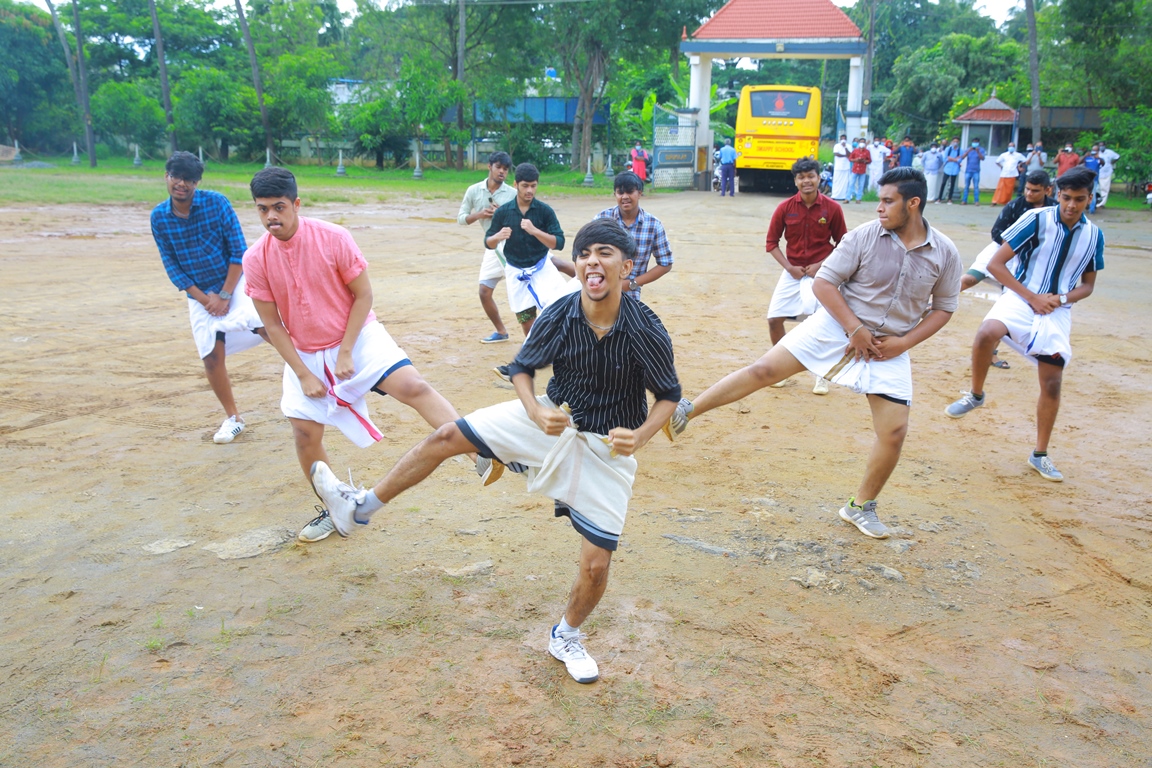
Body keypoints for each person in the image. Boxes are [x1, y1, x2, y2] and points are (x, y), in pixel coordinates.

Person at [307, 218, 681, 684]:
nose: (591, 261)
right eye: (584, 253)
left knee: (597, 563)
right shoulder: (561, 314)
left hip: (608, 447)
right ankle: (359, 508)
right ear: (577, 265)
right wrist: (535, 410)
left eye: (604, 253)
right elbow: (522, 368)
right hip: (550, 418)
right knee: (446, 437)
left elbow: (669, 394)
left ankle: (565, 634)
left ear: (626, 268)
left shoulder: (645, 328)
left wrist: (641, 435)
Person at [666, 167, 961, 539]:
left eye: (888, 201)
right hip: (837, 326)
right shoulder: (864, 238)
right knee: (764, 371)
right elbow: (824, 283)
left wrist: (904, 343)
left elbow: (944, 308)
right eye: (880, 200)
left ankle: (860, 506)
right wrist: (854, 328)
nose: (879, 209)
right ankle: (688, 409)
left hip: (888, 346)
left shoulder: (944, 252)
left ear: (913, 203)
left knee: (894, 430)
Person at [240, 167, 483, 543]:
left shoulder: (333, 237)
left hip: (357, 332)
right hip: (303, 349)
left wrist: (347, 351)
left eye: (279, 207)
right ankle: (334, 508)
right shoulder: (256, 258)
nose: (271, 217)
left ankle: (478, 453)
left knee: (413, 386)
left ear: (296, 204)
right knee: (304, 433)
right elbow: (272, 326)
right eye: (262, 209)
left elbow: (363, 295)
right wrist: (304, 373)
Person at [945, 168, 1104, 483]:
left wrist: (1057, 299)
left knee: (1052, 382)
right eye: (1067, 198)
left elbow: (1087, 286)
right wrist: (1032, 297)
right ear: (1057, 194)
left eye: (1080, 199)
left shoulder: (1094, 235)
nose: (1072, 205)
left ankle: (1039, 454)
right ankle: (976, 394)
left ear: (1089, 198)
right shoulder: (1036, 219)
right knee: (986, 333)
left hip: (1056, 309)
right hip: (1021, 296)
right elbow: (995, 263)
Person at [150, 151, 269, 445]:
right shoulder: (159, 218)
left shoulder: (217, 203)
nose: (182, 183)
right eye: (176, 176)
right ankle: (234, 418)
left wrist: (226, 295)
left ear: (197, 182)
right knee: (211, 357)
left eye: (189, 179)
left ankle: (316, 382)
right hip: (200, 295)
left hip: (235, 283)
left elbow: (238, 251)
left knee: (266, 325)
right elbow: (172, 267)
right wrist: (207, 300)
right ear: (166, 177)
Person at [763, 158, 848, 395]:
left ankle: (821, 376)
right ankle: (781, 370)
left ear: (819, 178)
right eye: (801, 177)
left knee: (822, 323)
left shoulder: (832, 208)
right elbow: (771, 243)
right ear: (795, 181)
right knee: (774, 319)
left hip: (824, 274)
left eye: (810, 175)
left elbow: (843, 243)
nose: (806, 181)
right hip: (793, 272)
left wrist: (822, 265)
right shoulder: (785, 208)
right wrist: (789, 267)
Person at [485, 163, 575, 381]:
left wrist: (535, 231)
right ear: (515, 184)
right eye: (525, 186)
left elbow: (559, 242)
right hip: (515, 271)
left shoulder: (544, 211)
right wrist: (497, 238)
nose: (529, 191)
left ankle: (523, 363)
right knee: (526, 320)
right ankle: (541, 355)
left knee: (558, 311)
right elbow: (488, 241)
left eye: (533, 186)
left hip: (542, 267)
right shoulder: (504, 212)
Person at [457, 151, 517, 344]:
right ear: (489, 167)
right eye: (499, 167)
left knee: (521, 291)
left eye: (506, 169)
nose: (502, 172)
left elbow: (523, 220)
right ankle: (501, 331)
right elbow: (461, 218)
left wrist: (502, 215)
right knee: (484, 291)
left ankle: (537, 333)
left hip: (513, 245)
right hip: (492, 246)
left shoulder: (512, 194)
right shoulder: (474, 191)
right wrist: (479, 215)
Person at [962, 169, 1056, 292]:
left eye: (1035, 191)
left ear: (1048, 190)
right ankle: (937, 302)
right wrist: (1012, 248)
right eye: (1027, 189)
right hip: (1004, 247)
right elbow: (996, 232)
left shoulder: (1054, 210)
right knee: (970, 278)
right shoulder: (1015, 205)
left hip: (1033, 255)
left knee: (1013, 290)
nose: (1029, 193)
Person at [593, 171, 673, 300]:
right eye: (620, 193)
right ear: (615, 195)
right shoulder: (602, 220)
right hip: (598, 287)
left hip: (630, 293)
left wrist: (632, 283)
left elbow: (665, 264)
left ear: (640, 193)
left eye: (630, 192)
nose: (625, 197)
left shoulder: (653, 225)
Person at [961, 139, 986, 205]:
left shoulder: (981, 149)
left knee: (976, 186)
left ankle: (976, 201)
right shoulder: (968, 149)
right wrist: (969, 151)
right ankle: (964, 200)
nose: (975, 143)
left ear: (978, 143)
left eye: (976, 142)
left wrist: (978, 152)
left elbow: (982, 158)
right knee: (966, 186)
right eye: (974, 142)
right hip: (968, 170)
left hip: (976, 171)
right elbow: (962, 157)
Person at [1096, 141, 1120, 208]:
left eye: (1102, 145)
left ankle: (1102, 204)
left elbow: (1117, 157)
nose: (1101, 147)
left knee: (1105, 189)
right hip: (1099, 172)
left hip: (1107, 172)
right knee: (1098, 188)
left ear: (1105, 145)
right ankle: (1097, 202)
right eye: (1100, 145)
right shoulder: (1097, 153)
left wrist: (1112, 163)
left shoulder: (1109, 152)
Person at [939, 137, 963, 203]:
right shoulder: (948, 149)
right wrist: (955, 159)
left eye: (957, 141)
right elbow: (945, 159)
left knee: (952, 184)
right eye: (954, 141)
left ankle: (950, 199)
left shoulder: (960, 150)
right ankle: (939, 198)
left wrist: (951, 159)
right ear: (951, 142)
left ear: (958, 142)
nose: (955, 143)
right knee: (943, 183)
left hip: (955, 169)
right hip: (947, 168)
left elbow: (960, 159)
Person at [1080, 146, 1103, 214]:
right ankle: (1082, 208)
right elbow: (1079, 162)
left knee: (1092, 194)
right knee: (1083, 193)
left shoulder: (1098, 159)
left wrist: (1098, 157)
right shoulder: (1087, 158)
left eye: (1095, 150)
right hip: (1086, 178)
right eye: (1093, 150)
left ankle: (1091, 210)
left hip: (1094, 179)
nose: (1094, 151)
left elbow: (1103, 163)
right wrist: (1085, 156)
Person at [831, 134, 851, 201]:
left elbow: (849, 155)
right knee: (836, 181)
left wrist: (845, 147)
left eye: (844, 138)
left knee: (845, 182)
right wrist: (845, 155)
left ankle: (843, 196)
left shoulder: (849, 146)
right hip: (838, 167)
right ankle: (835, 195)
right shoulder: (836, 146)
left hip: (846, 167)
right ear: (840, 139)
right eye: (842, 138)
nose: (843, 140)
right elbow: (836, 154)